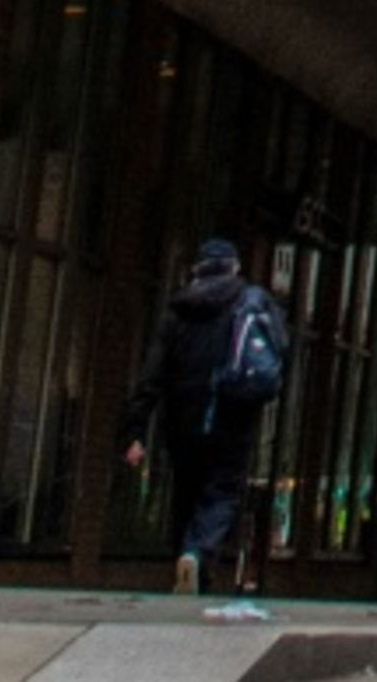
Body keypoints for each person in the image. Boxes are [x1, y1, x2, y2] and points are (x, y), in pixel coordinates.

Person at [134, 233, 288, 616]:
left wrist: (135, 429)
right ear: (234, 268)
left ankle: (188, 566)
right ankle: (196, 554)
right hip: (233, 416)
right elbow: (279, 349)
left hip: (182, 420)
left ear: (197, 270)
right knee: (222, 491)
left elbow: (152, 374)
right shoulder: (250, 302)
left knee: (187, 491)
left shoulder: (178, 310)